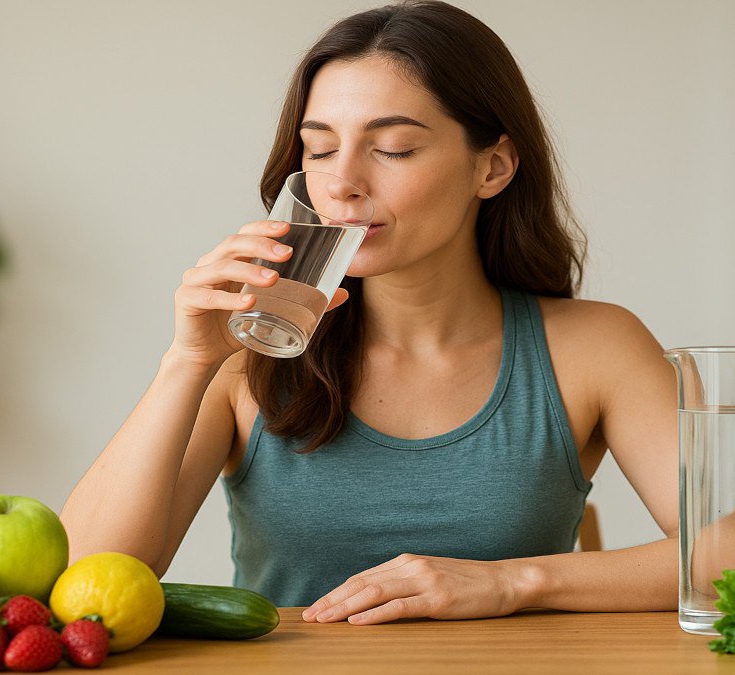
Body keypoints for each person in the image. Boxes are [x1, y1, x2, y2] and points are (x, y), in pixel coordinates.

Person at [61, 0, 677, 625]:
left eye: (394, 149)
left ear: (491, 167)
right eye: (320, 150)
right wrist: (186, 362)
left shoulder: (597, 347)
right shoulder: (249, 350)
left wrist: (514, 582)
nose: (342, 182)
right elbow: (80, 586)